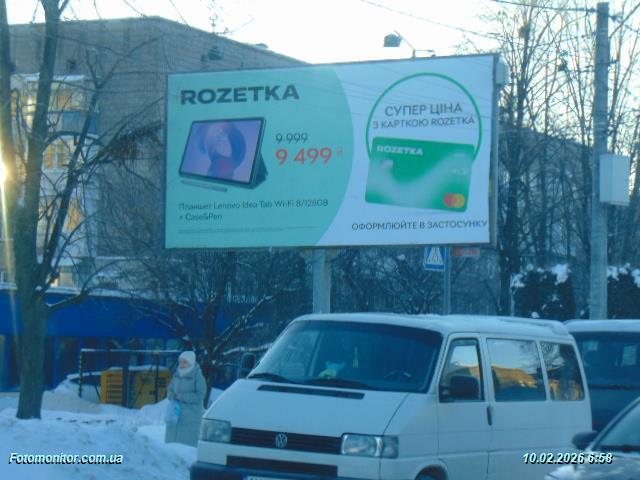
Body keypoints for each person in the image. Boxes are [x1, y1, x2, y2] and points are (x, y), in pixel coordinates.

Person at [165, 351, 207, 447]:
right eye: (180, 361)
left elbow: (200, 396)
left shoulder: (198, 377)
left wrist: (183, 397)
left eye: (184, 362)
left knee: (186, 446)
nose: (181, 364)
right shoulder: (177, 375)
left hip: (190, 416)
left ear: (191, 362)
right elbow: (170, 389)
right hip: (175, 414)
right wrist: (171, 395)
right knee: (171, 446)